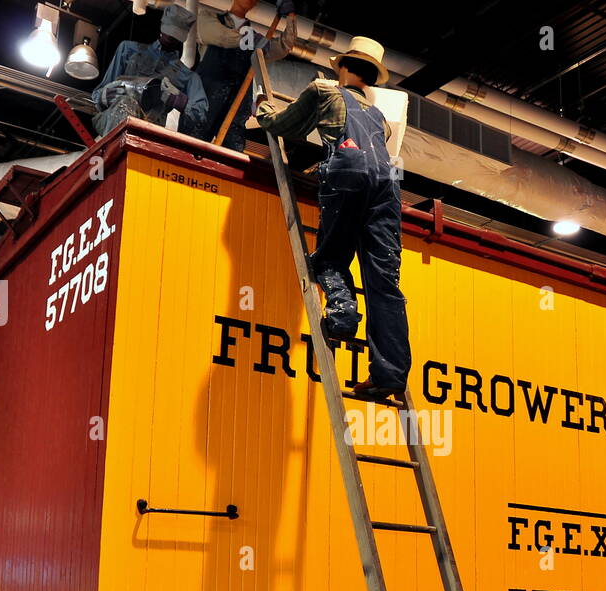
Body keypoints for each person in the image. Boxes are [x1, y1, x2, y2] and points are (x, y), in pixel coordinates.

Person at [256, 37, 410, 401]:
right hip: (388, 188)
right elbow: (377, 156)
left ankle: (342, 315)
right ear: (371, 78)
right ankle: (390, 374)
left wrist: (263, 109)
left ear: (342, 66)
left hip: (348, 170)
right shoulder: (380, 119)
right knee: (384, 284)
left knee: (330, 256)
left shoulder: (324, 90)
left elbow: (286, 126)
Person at [91, 5, 208, 139]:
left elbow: (200, 117)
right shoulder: (128, 50)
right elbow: (97, 95)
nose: (171, 37)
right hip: (115, 121)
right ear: (162, 26)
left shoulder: (188, 76)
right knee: (125, 104)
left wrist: (178, 99)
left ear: (183, 37)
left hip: (149, 131)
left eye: (176, 35)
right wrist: (104, 96)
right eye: (169, 32)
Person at [194, 0, 296, 152]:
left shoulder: (255, 39)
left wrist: (291, 17)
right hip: (204, 102)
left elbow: (283, 47)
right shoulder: (208, 18)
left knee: (232, 158)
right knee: (189, 149)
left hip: (236, 108)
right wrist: (247, 39)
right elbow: (222, 37)